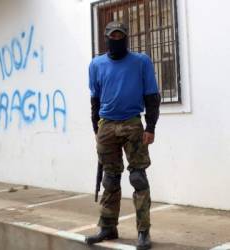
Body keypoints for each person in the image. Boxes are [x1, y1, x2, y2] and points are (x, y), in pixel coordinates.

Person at [85, 21, 161, 250]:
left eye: (121, 36)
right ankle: (108, 227)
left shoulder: (141, 62)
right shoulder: (95, 65)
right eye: (112, 36)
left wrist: (151, 127)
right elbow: (95, 101)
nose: (116, 40)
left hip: (132, 124)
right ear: (106, 38)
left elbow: (152, 96)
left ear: (126, 38)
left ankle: (143, 232)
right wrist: (96, 129)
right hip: (106, 125)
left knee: (138, 178)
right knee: (109, 178)